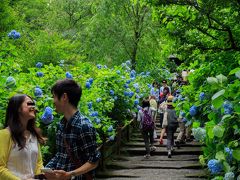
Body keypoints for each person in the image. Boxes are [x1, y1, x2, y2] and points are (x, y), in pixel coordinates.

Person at [44, 79, 100, 180]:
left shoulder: (84, 126)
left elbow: (93, 161)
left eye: (54, 97)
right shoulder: (61, 124)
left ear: (64, 97)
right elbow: (61, 155)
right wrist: (45, 170)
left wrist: (69, 174)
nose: (53, 101)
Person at [0, 94, 44, 180]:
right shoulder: (4, 135)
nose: (33, 107)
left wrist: (44, 174)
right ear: (17, 108)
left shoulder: (34, 136)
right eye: (29, 104)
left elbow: (39, 163)